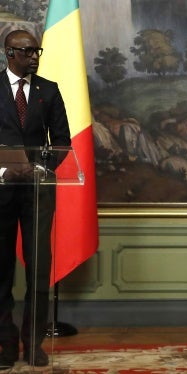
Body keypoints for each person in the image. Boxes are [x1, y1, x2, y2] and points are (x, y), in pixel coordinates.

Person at [0, 30, 71, 368]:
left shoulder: (49, 91)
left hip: (38, 194)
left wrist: (39, 169)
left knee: (38, 269)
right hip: (0, 191)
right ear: (8, 53)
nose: (34, 56)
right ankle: (6, 345)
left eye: (36, 50)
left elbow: (62, 141)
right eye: (26, 51)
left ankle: (33, 344)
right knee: (0, 272)